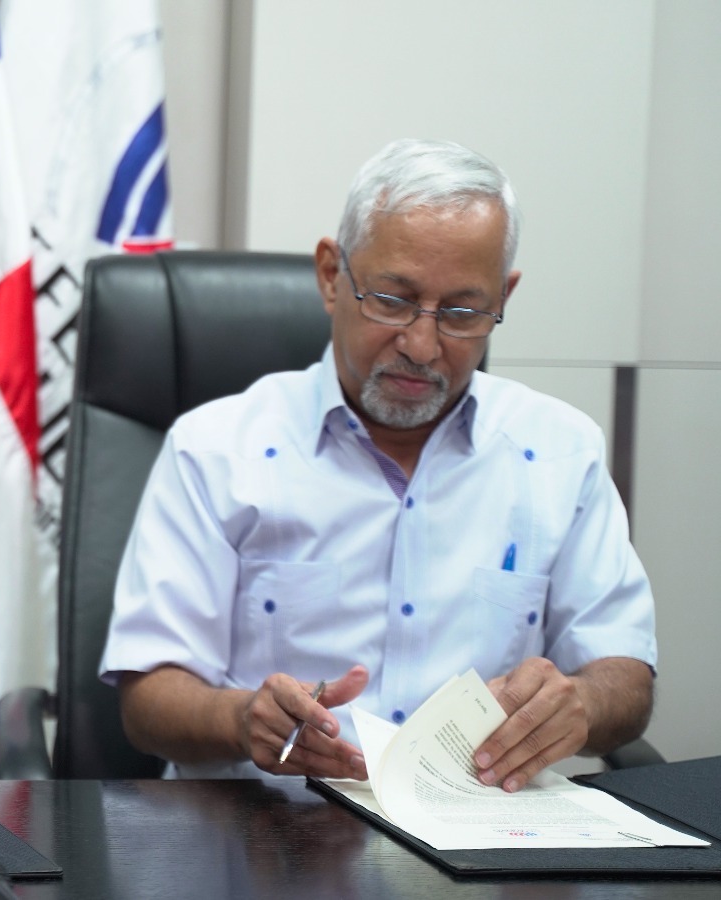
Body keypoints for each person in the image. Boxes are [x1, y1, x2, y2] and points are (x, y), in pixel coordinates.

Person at [99, 139, 655, 790]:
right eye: (391, 300)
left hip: (477, 842)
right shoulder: (216, 449)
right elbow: (147, 698)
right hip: (260, 830)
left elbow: (627, 673)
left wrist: (581, 705)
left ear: (503, 297)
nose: (422, 345)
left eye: (462, 312)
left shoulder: (562, 451)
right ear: (333, 276)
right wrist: (242, 717)